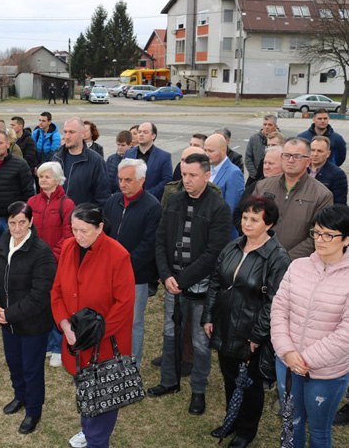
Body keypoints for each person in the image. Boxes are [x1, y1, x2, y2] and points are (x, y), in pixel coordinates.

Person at [202, 196, 290, 448]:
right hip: (224, 326)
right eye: (244, 217)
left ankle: (246, 431)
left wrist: (256, 336)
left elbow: (275, 302)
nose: (247, 223)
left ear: (269, 224)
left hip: (251, 333)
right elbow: (215, 284)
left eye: (254, 219)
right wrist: (208, 316)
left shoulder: (278, 258)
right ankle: (231, 420)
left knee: (250, 385)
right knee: (230, 378)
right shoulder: (232, 247)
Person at [149, 153, 232, 416]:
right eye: (184, 174)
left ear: (207, 176)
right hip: (173, 282)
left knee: (199, 341)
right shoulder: (174, 201)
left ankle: (198, 391)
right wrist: (165, 275)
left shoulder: (218, 208)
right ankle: (169, 380)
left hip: (200, 288)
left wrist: (182, 281)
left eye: (193, 175)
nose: (187, 180)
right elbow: (160, 240)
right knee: (170, 333)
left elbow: (213, 253)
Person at [51, 204, 135, 448]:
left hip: (105, 343)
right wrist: (65, 325)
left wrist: (95, 333)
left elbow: (124, 303)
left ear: (100, 228)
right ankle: (88, 430)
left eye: (84, 230)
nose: (78, 236)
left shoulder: (118, 255)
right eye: (74, 229)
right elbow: (57, 291)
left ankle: (97, 441)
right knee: (85, 388)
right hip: (74, 339)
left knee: (103, 394)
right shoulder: (68, 247)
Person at [271, 205, 349, 448]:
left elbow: (345, 334)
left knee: (318, 431)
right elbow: (279, 309)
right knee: (292, 423)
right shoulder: (298, 266)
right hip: (287, 363)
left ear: (346, 239)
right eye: (316, 233)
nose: (320, 240)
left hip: (326, 373)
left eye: (329, 235)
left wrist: (305, 360)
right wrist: (287, 352)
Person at [0, 201, 57, 434]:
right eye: (12, 222)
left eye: (21, 223)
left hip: (32, 324)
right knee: (14, 363)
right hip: (8, 321)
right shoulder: (4, 242)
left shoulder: (41, 252)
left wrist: (8, 313)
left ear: (31, 222)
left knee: (32, 369)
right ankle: (20, 396)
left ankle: (33, 411)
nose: (16, 228)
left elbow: (39, 296)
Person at [103, 158, 162, 368]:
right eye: (120, 179)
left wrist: (122, 267)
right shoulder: (113, 201)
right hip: (109, 274)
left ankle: (131, 364)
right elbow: (104, 234)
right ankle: (110, 358)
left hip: (136, 276)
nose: (123, 184)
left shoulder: (152, 207)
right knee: (110, 318)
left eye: (128, 180)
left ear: (142, 180)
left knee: (133, 321)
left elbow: (149, 245)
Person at [27, 161, 75, 367]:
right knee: (39, 303)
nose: (42, 180)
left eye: (47, 176)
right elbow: (27, 230)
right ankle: (45, 343)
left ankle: (57, 346)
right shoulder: (31, 201)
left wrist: (50, 257)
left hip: (56, 263)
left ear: (57, 179)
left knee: (57, 303)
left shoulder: (67, 204)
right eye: (40, 176)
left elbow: (68, 235)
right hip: (35, 262)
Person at [254, 138, 333, 260]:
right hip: (259, 258)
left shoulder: (322, 195)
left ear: (308, 161)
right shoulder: (263, 186)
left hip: (295, 264)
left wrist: (284, 259)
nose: (290, 160)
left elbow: (317, 236)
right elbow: (251, 221)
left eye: (297, 156)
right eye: (287, 155)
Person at [52, 117, 109, 207]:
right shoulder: (57, 157)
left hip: (81, 218)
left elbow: (102, 196)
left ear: (83, 134)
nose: (67, 136)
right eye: (65, 132)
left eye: (71, 132)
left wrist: (89, 218)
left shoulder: (96, 161)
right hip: (58, 217)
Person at [124, 122, 172, 201]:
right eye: (139, 132)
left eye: (145, 132)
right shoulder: (128, 153)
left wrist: (147, 194)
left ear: (153, 136)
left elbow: (166, 181)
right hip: (130, 199)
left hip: (153, 200)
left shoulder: (164, 156)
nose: (141, 134)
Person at [204, 133, 245, 217]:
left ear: (223, 150)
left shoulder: (234, 173)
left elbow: (230, 209)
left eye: (211, 151)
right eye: (205, 150)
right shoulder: (206, 168)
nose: (207, 154)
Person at [309, 136, 348, 205]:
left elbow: (339, 204)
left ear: (328, 154)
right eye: (312, 150)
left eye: (320, 151)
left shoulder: (338, 175)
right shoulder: (301, 169)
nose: (315, 154)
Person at [245, 114, 277, 187]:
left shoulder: (280, 140)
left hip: (273, 179)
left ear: (275, 126)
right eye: (265, 124)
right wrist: (255, 175)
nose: (267, 127)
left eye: (270, 125)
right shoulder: (254, 139)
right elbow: (248, 158)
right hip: (255, 178)